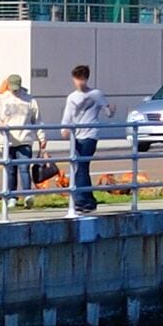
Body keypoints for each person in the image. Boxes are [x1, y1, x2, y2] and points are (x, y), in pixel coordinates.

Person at [59, 64, 108, 214]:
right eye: (77, 79)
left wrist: (110, 109)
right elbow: (67, 116)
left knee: (82, 166)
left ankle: (82, 200)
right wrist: (64, 129)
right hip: (76, 136)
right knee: (78, 167)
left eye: (82, 79)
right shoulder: (72, 97)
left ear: (87, 79)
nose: (80, 82)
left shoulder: (96, 94)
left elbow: (107, 110)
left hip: (90, 135)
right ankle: (88, 199)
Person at [0, 73, 41, 207]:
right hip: (7, 139)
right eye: (12, 87)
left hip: (24, 138)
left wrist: (41, 137)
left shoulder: (29, 100)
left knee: (24, 167)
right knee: (10, 169)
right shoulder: (1, 99)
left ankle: (27, 195)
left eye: (17, 87)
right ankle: (11, 196)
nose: (15, 90)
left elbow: (37, 119)